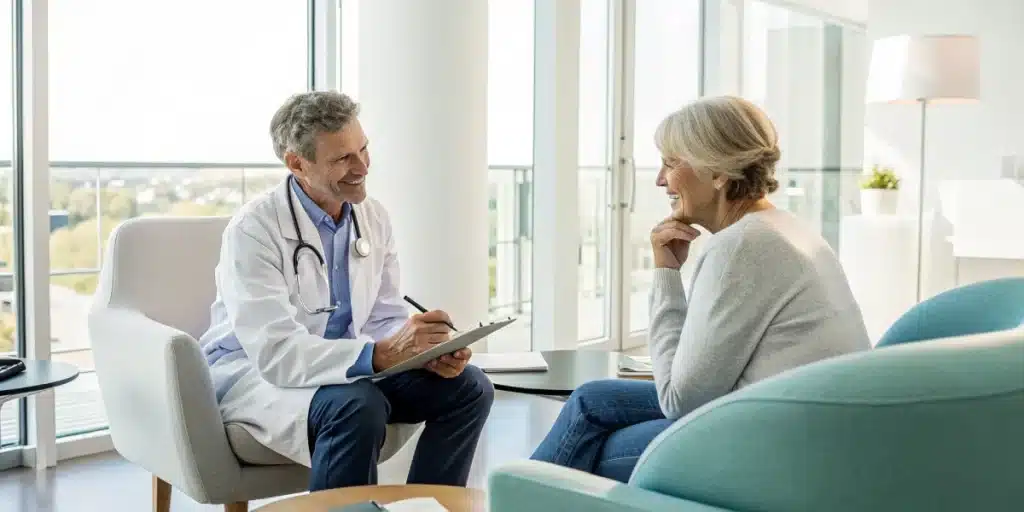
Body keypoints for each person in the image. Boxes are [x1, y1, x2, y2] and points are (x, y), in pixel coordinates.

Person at [530, 95, 870, 483]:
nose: (661, 180)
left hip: (780, 446)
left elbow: (679, 400)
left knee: (596, 449)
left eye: (671, 163)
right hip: (807, 423)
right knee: (590, 401)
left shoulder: (742, 245)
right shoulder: (783, 227)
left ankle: (520, 495)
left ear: (719, 172)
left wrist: (666, 273)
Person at [199, 91, 494, 491]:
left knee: (470, 388)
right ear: (297, 163)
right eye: (342, 159)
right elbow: (276, 352)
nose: (362, 167)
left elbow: (383, 316)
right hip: (257, 373)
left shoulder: (373, 216)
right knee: (358, 406)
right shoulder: (253, 230)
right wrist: (380, 354)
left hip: (350, 363)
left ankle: (430, 506)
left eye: (364, 149)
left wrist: (421, 350)